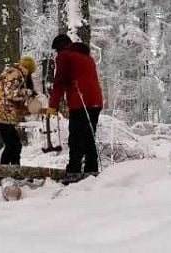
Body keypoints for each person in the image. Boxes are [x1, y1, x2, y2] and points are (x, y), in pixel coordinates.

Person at [47, 34, 104, 175]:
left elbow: (60, 81)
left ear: (60, 46)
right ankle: (92, 168)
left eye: (56, 50)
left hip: (80, 101)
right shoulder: (87, 56)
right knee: (89, 135)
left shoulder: (65, 55)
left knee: (76, 137)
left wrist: (52, 106)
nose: (56, 53)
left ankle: (74, 170)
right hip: (96, 101)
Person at [0, 56, 37, 187]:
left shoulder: (15, 73)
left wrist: (27, 109)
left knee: (15, 145)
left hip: (5, 114)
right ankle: (2, 176)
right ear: (27, 68)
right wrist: (28, 92)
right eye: (30, 72)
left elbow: (13, 99)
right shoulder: (15, 74)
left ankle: (15, 173)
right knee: (12, 145)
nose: (29, 76)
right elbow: (10, 93)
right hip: (3, 115)